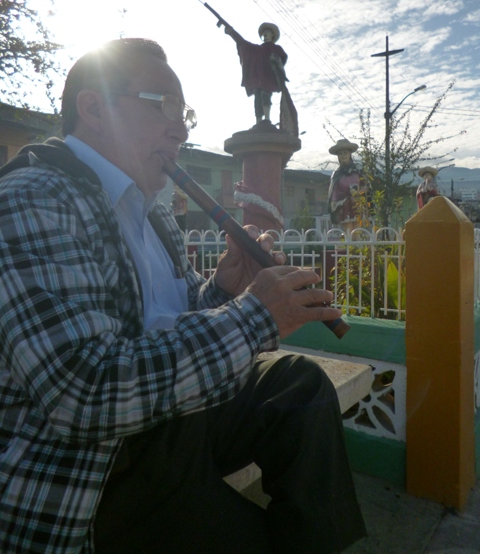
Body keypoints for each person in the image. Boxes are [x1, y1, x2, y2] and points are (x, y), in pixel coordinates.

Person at [0, 38, 365, 554]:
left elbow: (169, 324)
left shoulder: (152, 211)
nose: (182, 129)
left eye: (184, 111)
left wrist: (224, 290)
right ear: (95, 108)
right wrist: (254, 316)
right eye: (164, 105)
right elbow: (80, 392)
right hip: (100, 470)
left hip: (168, 421)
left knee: (297, 384)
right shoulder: (32, 199)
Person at [224, 21, 289, 125]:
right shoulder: (257, 49)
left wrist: (275, 60)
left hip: (268, 78)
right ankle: (258, 121)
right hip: (258, 79)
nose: (265, 34)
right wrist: (232, 33)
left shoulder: (276, 48)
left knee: (265, 96)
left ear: (272, 34)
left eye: (267, 31)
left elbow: (282, 60)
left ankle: (267, 119)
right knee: (257, 99)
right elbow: (243, 43)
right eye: (264, 32)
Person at [327, 138, 365, 231]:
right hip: (343, 206)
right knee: (348, 231)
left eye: (345, 153)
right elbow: (334, 191)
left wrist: (358, 192)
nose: (343, 155)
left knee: (357, 231)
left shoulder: (358, 170)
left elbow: (366, 185)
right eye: (340, 153)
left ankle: (357, 240)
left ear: (350, 154)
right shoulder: (337, 173)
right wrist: (333, 203)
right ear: (338, 156)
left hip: (358, 204)